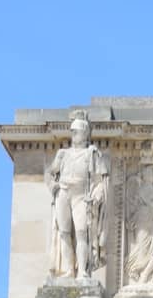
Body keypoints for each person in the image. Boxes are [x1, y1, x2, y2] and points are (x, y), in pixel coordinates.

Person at [45, 114, 109, 280]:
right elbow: (50, 174)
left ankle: (82, 271)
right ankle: (69, 270)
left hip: (81, 194)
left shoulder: (92, 153)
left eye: (77, 131)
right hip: (64, 192)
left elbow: (100, 181)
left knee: (82, 232)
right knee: (64, 232)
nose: (73, 134)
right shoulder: (62, 154)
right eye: (72, 131)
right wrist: (54, 187)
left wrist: (95, 196)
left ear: (85, 133)